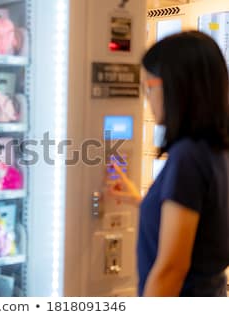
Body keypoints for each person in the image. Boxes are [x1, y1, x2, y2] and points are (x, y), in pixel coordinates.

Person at [111, 31, 229, 296]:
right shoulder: (214, 148)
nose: (147, 99)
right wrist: (143, 200)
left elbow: (171, 269)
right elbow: (198, 228)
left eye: (148, 87)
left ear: (176, 86)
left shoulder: (188, 156)